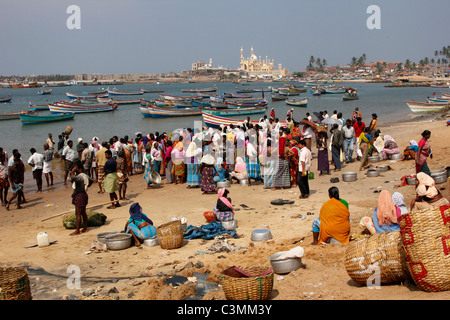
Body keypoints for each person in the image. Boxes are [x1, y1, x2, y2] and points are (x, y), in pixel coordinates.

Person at [69, 160, 93, 236]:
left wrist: (72, 171)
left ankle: (77, 230)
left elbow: (72, 178)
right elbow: (91, 181)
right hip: (84, 194)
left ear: (79, 169)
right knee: (83, 212)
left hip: (79, 195)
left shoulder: (79, 177)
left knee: (78, 213)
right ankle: (85, 228)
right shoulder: (85, 175)